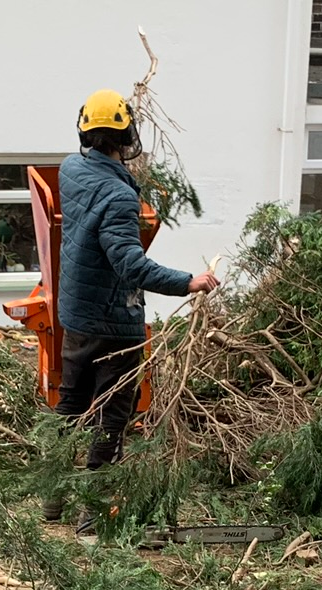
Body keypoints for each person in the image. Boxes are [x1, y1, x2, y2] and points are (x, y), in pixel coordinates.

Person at [50, 88, 217, 533]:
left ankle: (51, 497)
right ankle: (91, 517)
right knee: (111, 419)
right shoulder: (119, 197)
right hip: (113, 323)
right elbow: (130, 264)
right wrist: (188, 281)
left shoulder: (70, 170)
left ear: (85, 131)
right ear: (127, 136)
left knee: (70, 404)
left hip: (76, 313)